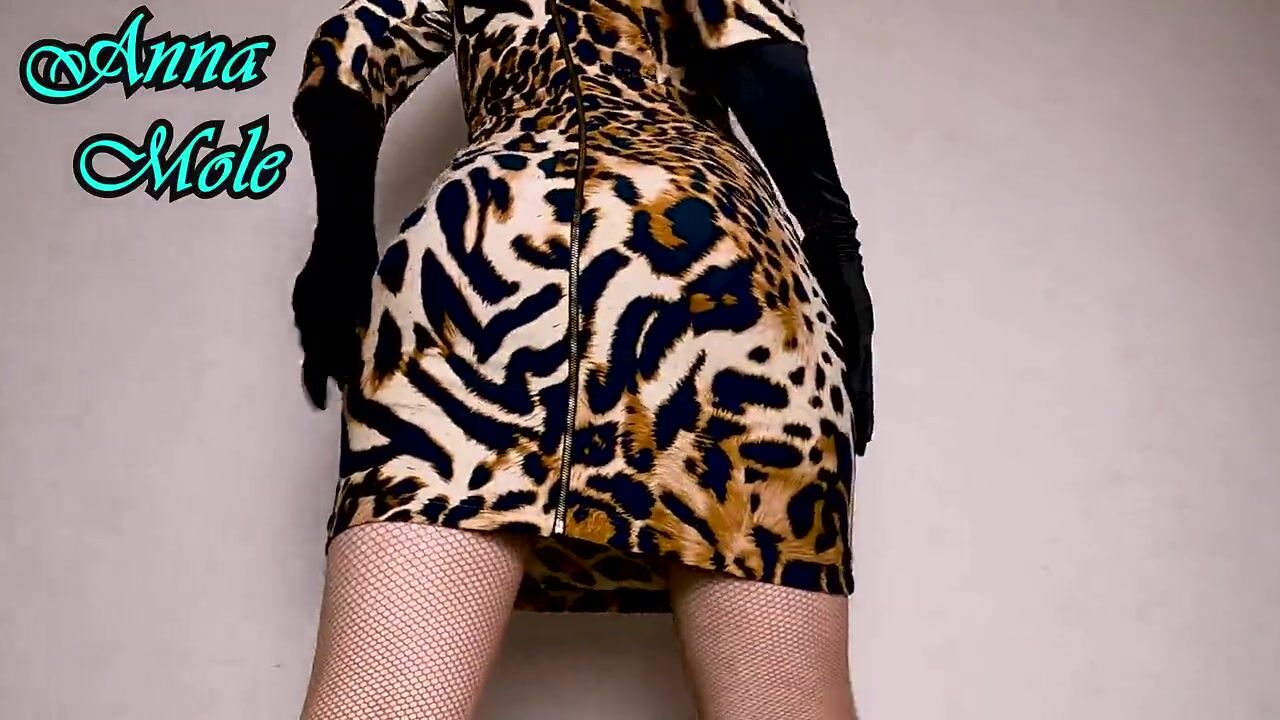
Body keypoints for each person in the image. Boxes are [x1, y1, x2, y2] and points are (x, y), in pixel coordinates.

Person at [289, 1, 874, 718]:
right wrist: (836, 245)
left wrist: (341, 242)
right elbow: (754, 47)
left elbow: (349, 53)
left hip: (488, 252)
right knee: (786, 705)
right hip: (696, 253)